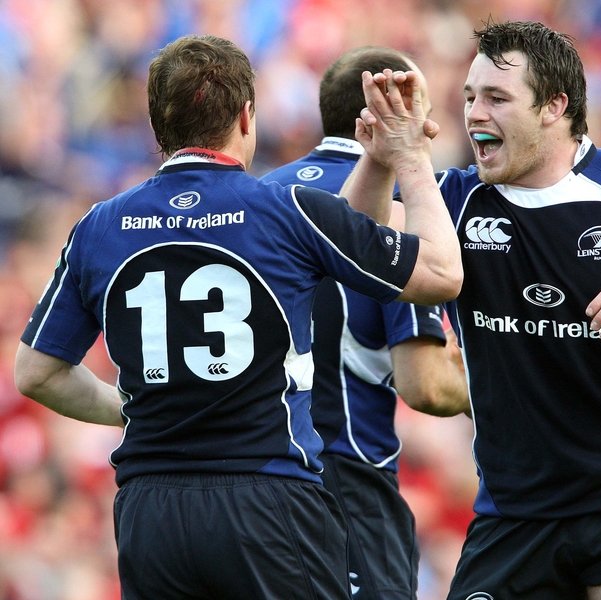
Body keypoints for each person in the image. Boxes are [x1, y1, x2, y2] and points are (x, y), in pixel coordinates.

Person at [13, 34, 461, 600]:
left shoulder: (100, 225)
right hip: (269, 499)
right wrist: (412, 159)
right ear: (247, 117)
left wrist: (130, 409)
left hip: (151, 512)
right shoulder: (286, 209)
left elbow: (36, 372)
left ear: (158, 127)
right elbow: (442, 272)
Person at [346, 20, 601, 600]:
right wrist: (381, 157)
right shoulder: (455, 199)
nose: (474, 114)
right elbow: (355, 241)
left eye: (496, 97)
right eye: (469, 97)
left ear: (554, 106)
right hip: (513, 514)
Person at [261, 45, 470, 600]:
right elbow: (424, 383)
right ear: (391, 112)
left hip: (255, 486)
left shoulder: (259, 198)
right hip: (347, 478)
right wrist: (512, 385)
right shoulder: (403, 207)